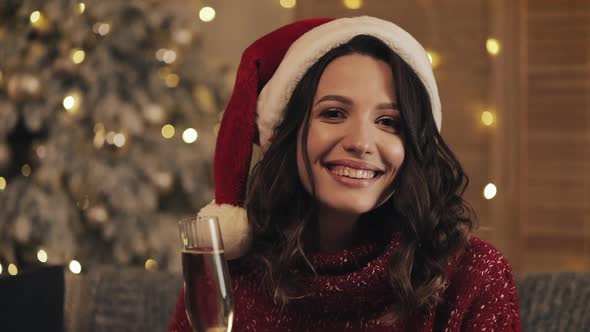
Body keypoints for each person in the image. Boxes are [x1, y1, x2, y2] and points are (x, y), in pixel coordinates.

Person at [168, 16, 521, 331]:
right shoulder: (228, 274)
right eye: (334, 113)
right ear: (286, 135)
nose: (361, 142)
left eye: (389, 122)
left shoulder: (473, 276)